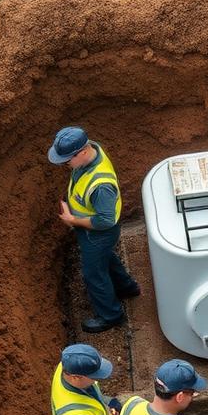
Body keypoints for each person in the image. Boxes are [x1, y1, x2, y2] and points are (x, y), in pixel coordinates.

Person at [48, 126, 140, 333]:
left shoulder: (101, 186)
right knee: (105, 258)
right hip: (97, 235)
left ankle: (111, 315)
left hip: (98, 234)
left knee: (94, 274)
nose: (65, 165)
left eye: (66, 160)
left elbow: (105, 221)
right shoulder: (92, 151)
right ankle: (127, 288)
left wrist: (73, 220)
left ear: (82, 152)